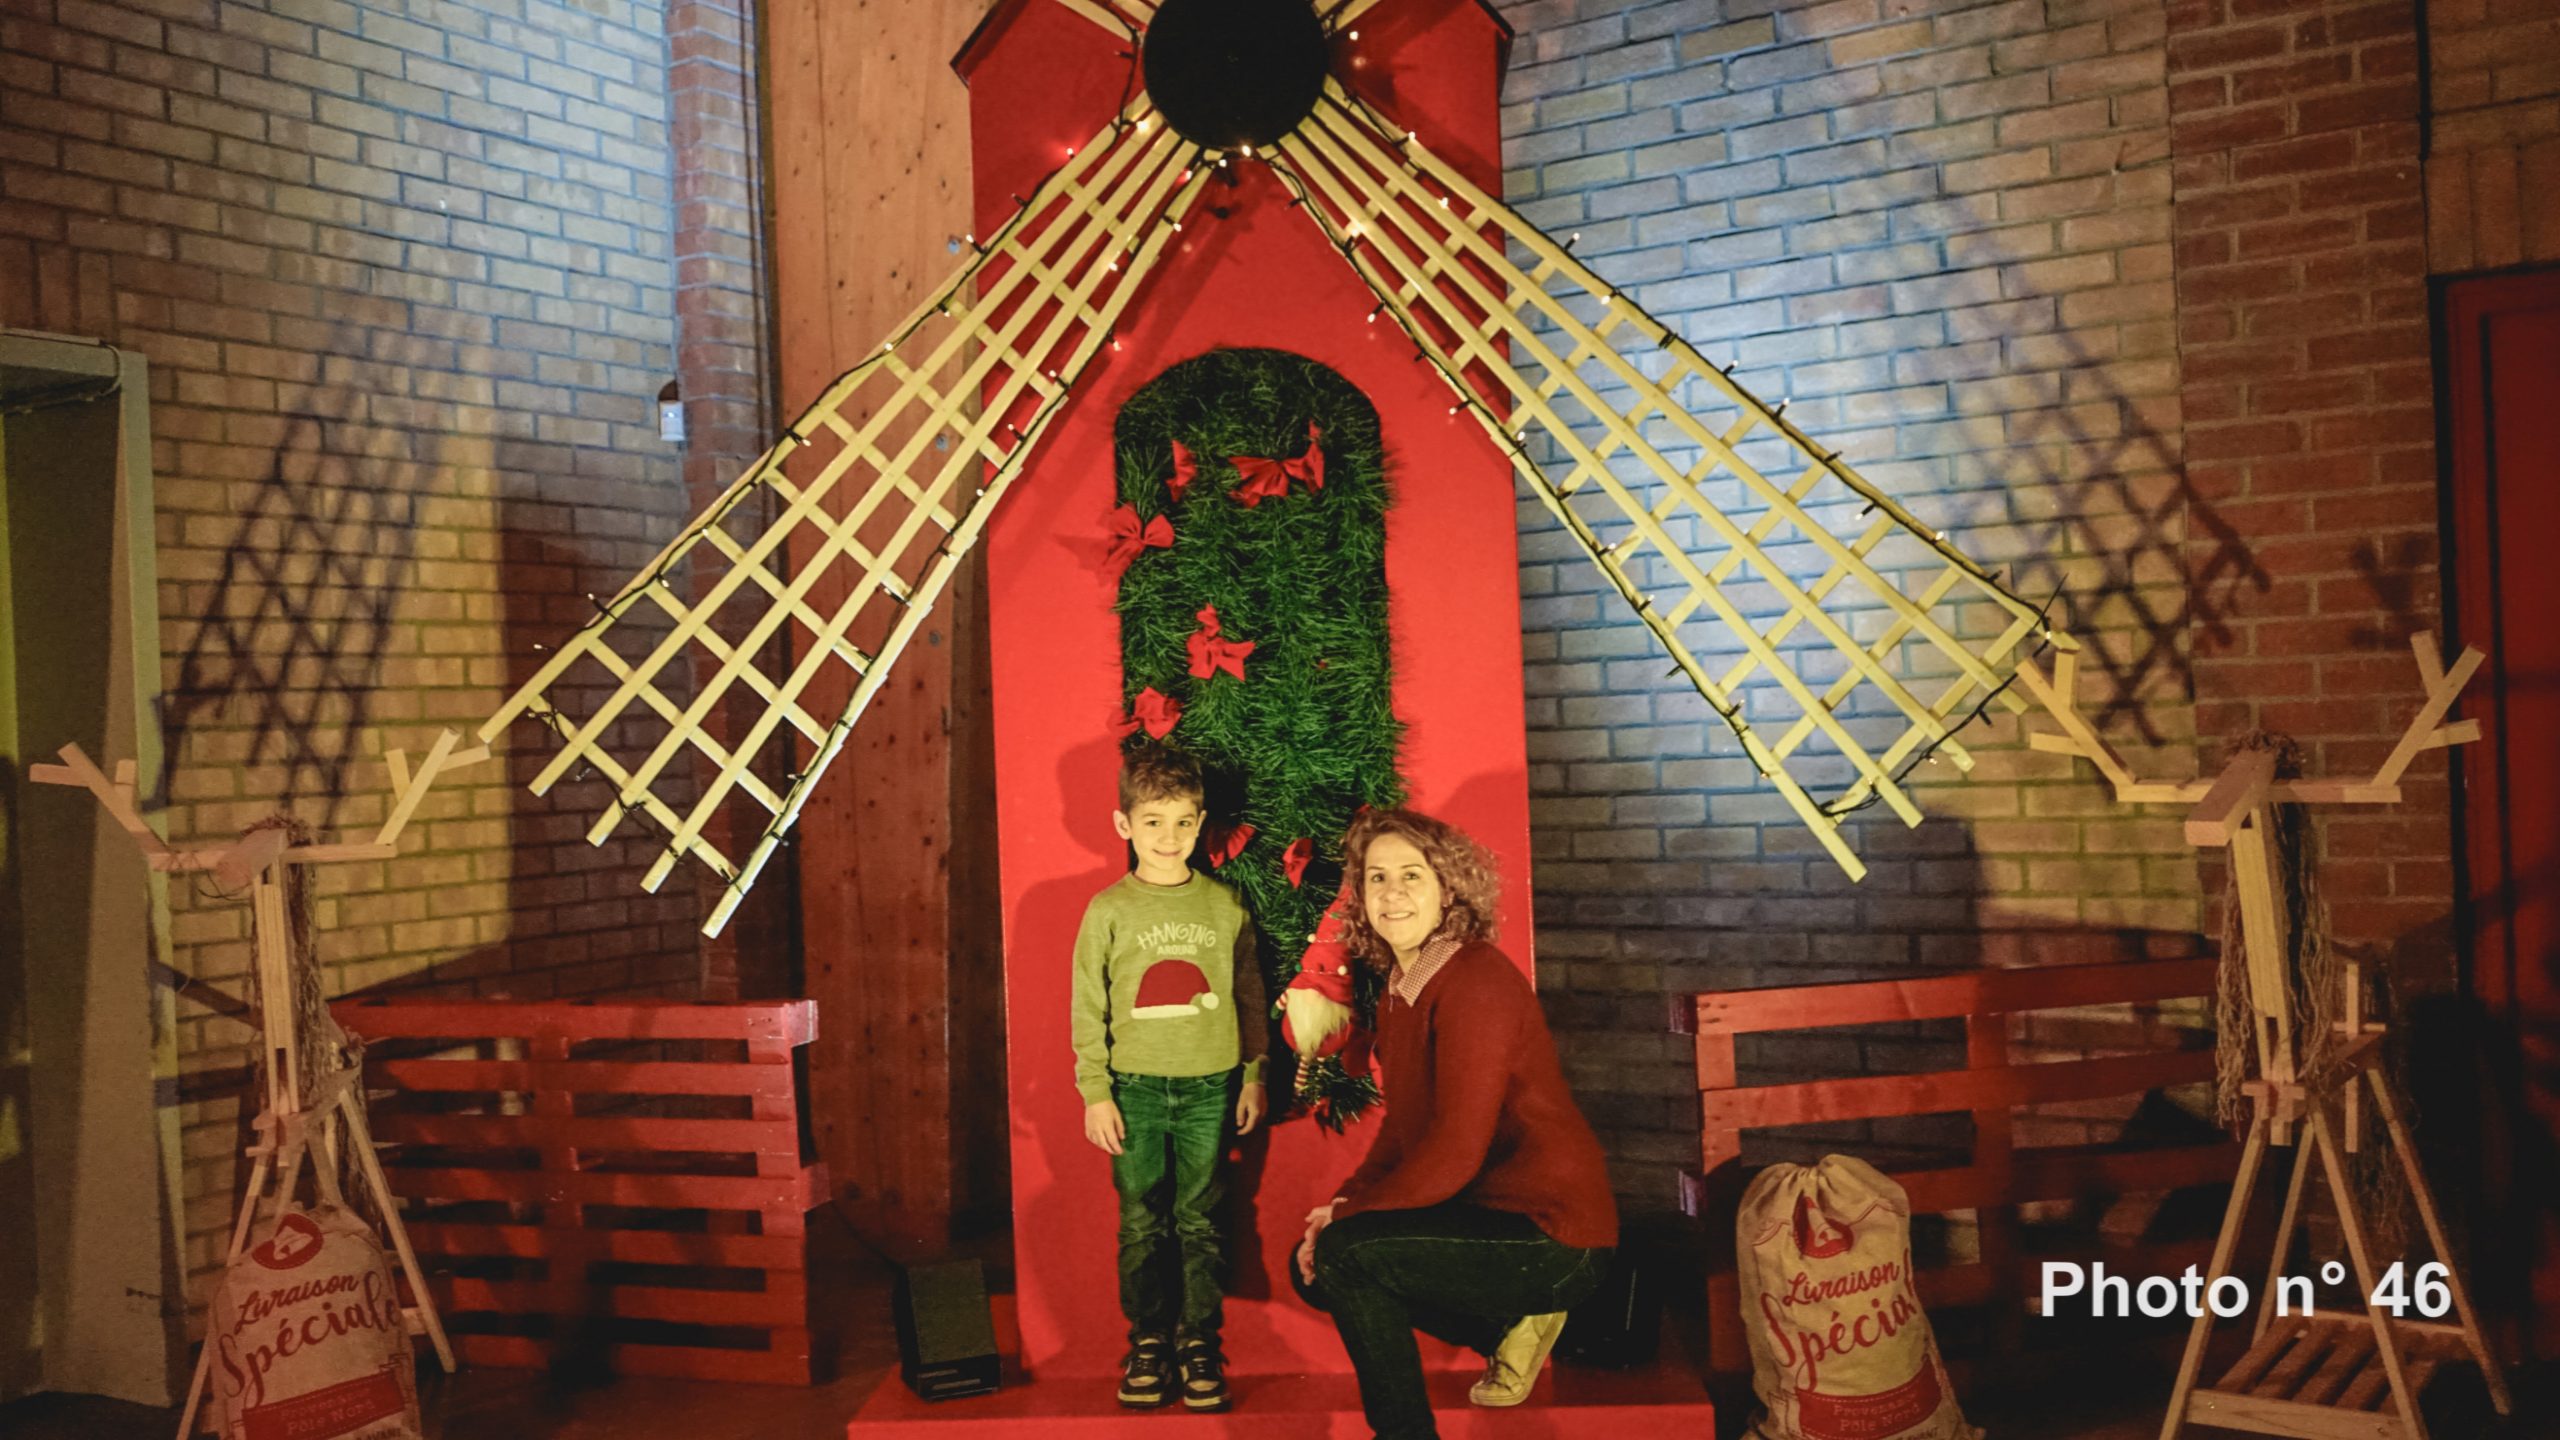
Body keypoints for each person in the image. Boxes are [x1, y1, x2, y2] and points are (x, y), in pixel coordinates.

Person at [1293, 807, 1616, 1439]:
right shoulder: (1403, 984)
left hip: (1551, 1232)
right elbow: (1401, 1130)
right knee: (1311, 1265)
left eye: (1411, 875)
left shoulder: (1473, 981)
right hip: (1488, 1216)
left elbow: (1455, 1153)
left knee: (1344, 1254)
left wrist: (1348, 1217)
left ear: (1448, 890)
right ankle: (1505, 1330)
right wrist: (1342, 1203)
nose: (1392, 893)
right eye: (1377, 878)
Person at [1072, 743, 1267, 1411]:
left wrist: (1253, 1074)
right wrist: (1096, 1092)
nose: (1169, 836)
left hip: (1211, 1086)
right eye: (1153, 821)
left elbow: (1248, 995)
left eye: (1183, 821)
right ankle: (1148, 1341)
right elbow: (1088, 1005)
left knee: (1200, 1220)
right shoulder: (1108, 910)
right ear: (1124, 824)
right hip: (1135, 1089)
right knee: (1140, 1222)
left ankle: (1199, 1341)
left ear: (1201, 823)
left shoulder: (1225, 904)